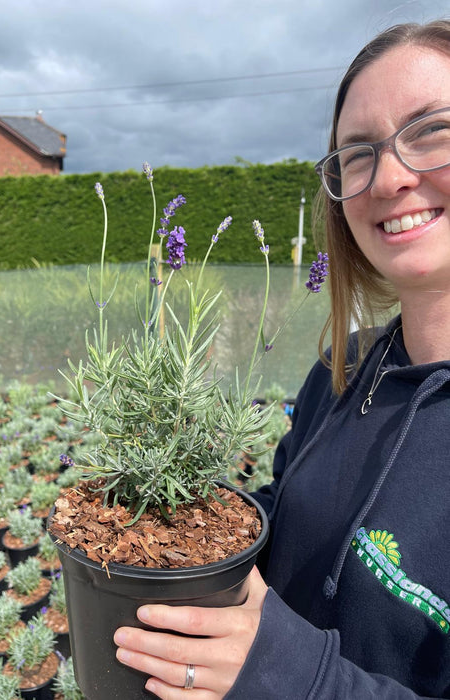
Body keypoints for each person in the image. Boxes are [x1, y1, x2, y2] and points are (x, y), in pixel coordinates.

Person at [113, 18, 450, 698]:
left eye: (431, 130)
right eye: (356, 153)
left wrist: (291, 674)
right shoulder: (346, 370)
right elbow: (285, 515)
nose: (386, 178)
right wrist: (171, 515)